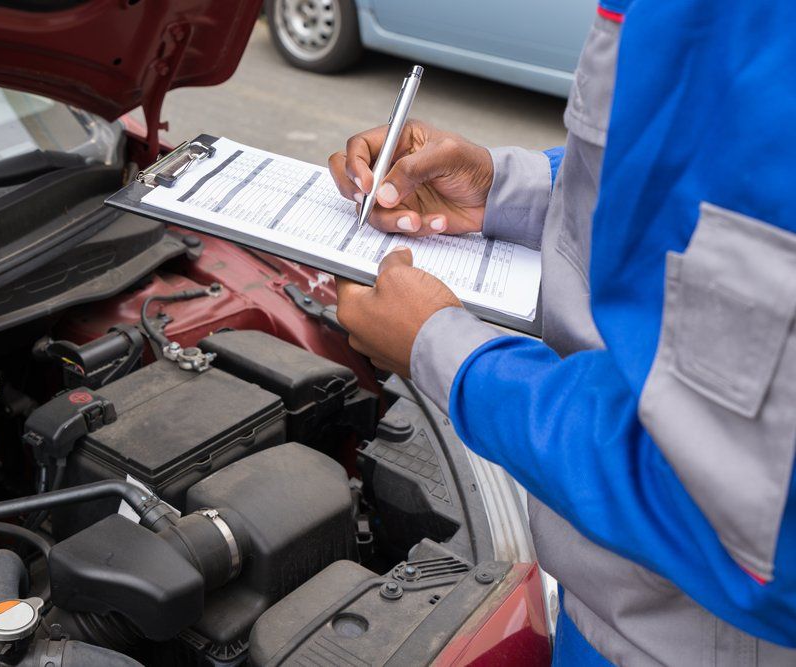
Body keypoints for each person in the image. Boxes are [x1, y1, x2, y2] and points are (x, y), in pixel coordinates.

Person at [328, 1, 796, 664]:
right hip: (604, 607)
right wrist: (502, 189)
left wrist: (449, 355)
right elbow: (671, 194)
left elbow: (745, 519)